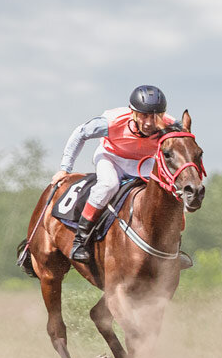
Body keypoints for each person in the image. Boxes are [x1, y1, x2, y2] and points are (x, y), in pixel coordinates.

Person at [50, 85, 175, 263]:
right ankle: (81, 240)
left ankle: (172, 246)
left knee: (166, 192)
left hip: (144, 161)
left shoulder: (171, 125)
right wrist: (65, 169)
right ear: (133, 113)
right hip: (112, 158)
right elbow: (80, 134)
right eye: (144, 115)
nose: (149, 122)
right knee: (108, 185)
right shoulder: (112, 122)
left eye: (156, 116)